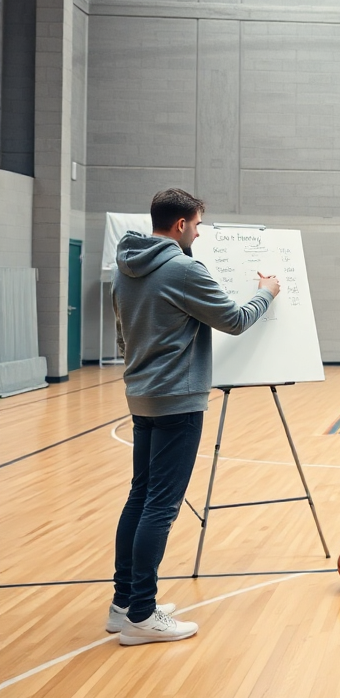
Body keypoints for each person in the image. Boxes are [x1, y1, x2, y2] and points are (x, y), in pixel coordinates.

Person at [109, 189, 279, 645]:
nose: (200, 234)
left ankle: (124, 603)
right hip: (178, 401)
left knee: (140, 497)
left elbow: (123, 336)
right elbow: (235, 320)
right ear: (181, 224)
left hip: (140, 396)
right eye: (199, 225)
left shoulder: (124, 267)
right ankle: (141, 616)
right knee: (160, 507)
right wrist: (265, 293)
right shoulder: (183, 269)